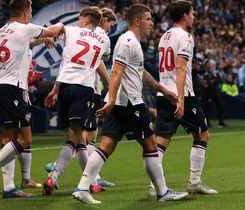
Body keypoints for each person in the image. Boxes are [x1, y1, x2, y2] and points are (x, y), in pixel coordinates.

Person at [72, 4, 188, 204]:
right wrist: (114, 100)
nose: (152, 23)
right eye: (149, 19)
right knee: (151, 145)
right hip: (130, 103)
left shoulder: (131, 42)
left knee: (106, 145)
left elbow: (140, 73)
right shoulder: (128, 42)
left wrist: (163, 90)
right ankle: (162, 192)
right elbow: (116, 72)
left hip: (120, 102)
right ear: (137, 21)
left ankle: (82, 188)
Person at [0, 0, 64, 199]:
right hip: (12, 88)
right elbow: (53, 30)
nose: (32, 15)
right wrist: (61, 27)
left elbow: (29, 42)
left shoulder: (2, 31)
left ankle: (9, 188)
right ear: (26, 13)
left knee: (8, 139)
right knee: (25, 139)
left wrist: (43, 39)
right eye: (31, 11)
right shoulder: (24, 28)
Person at [148, 0, 217, 197]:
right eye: (193, 13)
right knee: (202, 135)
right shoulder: (185, 37)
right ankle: (195, 181)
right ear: (185, 15)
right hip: (181, 95)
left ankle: (154, 186)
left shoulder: (164, 36)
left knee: (161, 140)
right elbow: (180, 67)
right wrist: (181, 99)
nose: (194, 17)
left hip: (163, 93)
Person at [42, 6, 111, 196]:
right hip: (84, 87)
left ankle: (91, 181)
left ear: (83, 18)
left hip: (65, 86)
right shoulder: (104, 39)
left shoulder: (70, 30)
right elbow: (100, 60)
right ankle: (54, 175)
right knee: (74, 137)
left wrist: (55, 89)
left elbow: (52, 32)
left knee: (79, 137)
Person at [82, 7, 116, 188]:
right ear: (105, 19)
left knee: (87, 133)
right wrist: (110, 82)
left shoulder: (85, 33)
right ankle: (57, 167)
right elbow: (98, 62)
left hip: (79, 84)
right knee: (88, 135)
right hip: (90, 88)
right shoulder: (103, 37)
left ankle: (95, 175)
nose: (112, 27)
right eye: (112, 23)